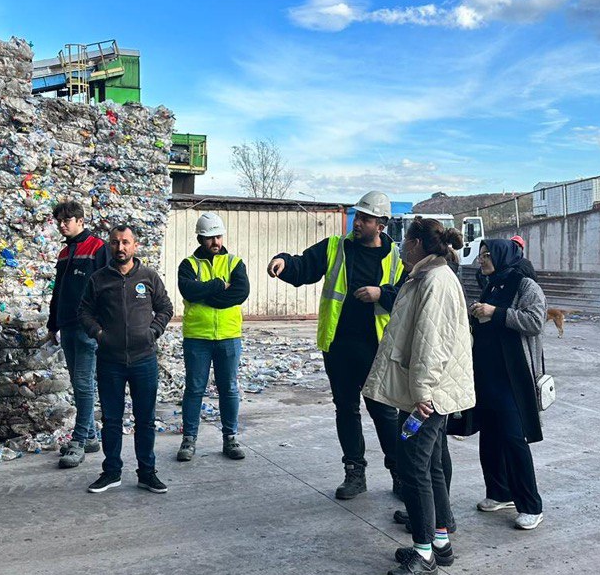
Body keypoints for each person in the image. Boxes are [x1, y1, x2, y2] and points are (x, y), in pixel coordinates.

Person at [268, 190, 405, 500]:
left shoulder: (397, 257)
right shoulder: (336, 247)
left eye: (366, 218)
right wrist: (283, 262)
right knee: (346, 410)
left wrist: (380, 294)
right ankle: (355, 472)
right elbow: (304, 265)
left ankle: (399, 473)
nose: (357, 223)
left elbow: (409, 296)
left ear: (380, 224)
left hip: (378, 350)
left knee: (384, 413)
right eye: (358, 216)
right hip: (340, 347)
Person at [363, 218, 475, 575]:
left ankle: (424, 553)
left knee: (413, 468)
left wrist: (423, 392)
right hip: (430, 391)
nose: (399, 247)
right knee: (431, 468)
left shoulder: (434, 281)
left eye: (404, 241)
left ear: (415, 244)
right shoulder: (427, 276)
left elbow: (431, 341)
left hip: (428, 396)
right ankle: (439, 542)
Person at [78, 224, 174, 494]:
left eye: (125, 242)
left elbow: (165, 307)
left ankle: (147, 472)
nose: (120, 248)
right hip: (110, 361)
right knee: (112, 419)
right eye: (115, 242)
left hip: (144, 360)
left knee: (145, 419)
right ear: (109, 246)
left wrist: (153, 331)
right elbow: (84, 312)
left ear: (135, 246)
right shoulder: (98, 279)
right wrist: (98, 334)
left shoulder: (148, 277)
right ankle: (111, 472)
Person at [469, 238, 547, 530]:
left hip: (514, 376)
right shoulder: (493, 283)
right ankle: (499, 492)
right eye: (481, 255)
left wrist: (495, 313)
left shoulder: (526, 285)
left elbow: (535, 321)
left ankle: (530, 505)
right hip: (489, 374)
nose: (482, 260)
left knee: (514, 439)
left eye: (487, 255)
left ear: (503, 256)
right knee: (489, 435)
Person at [177, 212, 251, 461]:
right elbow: (188, 289)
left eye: (218, 236)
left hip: (229, 335)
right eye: (210, 238)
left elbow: (240, 293)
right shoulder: (188, 265)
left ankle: (230, 438)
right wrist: (219, 285)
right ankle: (189, 440)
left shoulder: (234, 262)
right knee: (195, 388)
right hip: (197, 336)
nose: (215, 242)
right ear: (200, 238)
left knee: (228, 388)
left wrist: (205, 293)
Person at [47, 200, 109, 468]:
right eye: (59, 221)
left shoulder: (97, 248)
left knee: (83, 385)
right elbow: (58, 290)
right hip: (67, 326)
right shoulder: (64, 253)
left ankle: (80, 440)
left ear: (80, 220)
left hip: (87, 329)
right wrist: (53, 324)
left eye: (67, 220)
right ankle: (92, 438)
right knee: (78, 384)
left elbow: (108, 289)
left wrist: (101, 326)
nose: (62, 225)